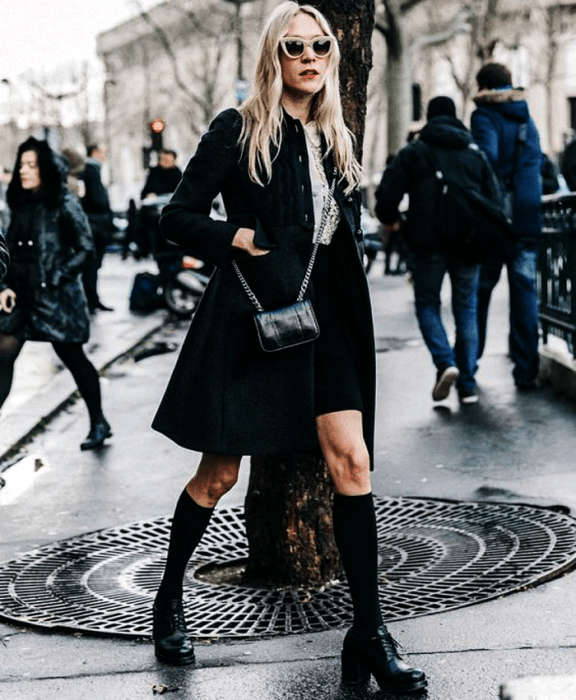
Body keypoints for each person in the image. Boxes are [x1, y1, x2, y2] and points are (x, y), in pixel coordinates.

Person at [150, 2, 427, 694]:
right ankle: (168, 598)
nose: (310, 57)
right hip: (258, 323)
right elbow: (176, 218)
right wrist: (236, 238)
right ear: (274, 55)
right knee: (218, 477)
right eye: (295, 46)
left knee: (353, 465)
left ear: (334, 56)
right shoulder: (237, 129)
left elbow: (337, 235)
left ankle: (369, 635)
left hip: (327, 318)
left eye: (321, 46)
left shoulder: (336, 135)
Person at [375, 96, 501, 404]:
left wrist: (393, 221)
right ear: (456, 117)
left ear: (429, 118)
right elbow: (494, 200)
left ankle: (445, 362)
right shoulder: (474, 153)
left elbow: (386, 195)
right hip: (469, 243)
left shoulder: (414, 152)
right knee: (467, 309)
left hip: (427, 243)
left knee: (428, 303)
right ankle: (468, 384)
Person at [0, 137, 112, 451]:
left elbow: (85, 248)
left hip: (58, 301)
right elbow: (6, 252)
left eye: (31, 165)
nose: (24, 171)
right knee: (3, 357)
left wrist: (54, 278)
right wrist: (4, 286)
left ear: (46, 170)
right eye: (22, 164)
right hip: (20, 298)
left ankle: (99, 421)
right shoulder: (17, 204)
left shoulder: (63, 201)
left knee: (74, 359)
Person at [471, 63, 543, 390]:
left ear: (483, 85)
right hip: (528, 214)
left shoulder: (484, 114)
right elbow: (537, 162)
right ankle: (527, 370)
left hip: (496, 217)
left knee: (479, 291)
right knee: (525, 293)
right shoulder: (527, 116)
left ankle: (468, 367)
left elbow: (486, 157)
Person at [80, 144, 114, 313]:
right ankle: (91, 300)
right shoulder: (92, 170)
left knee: (92, 266)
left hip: (94, 225)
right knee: (92, 266)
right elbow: (98, 200)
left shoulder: (90, 170)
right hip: (96, 226)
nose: (104, 156)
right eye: (102, 153)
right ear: (94, 153)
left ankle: (92, 299)